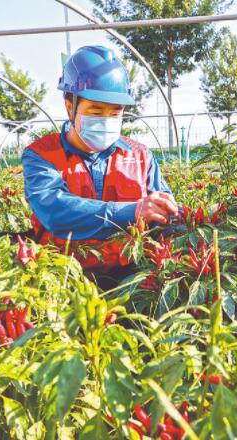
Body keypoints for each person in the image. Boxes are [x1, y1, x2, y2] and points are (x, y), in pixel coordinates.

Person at [22, 45, 177, 288]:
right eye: (96, 111)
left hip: (132, 279)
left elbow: (165, 215)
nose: (106, 120)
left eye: (115, 113)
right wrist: (132, 212)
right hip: (63, 282)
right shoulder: (41, 155)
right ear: (69, 105)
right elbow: (55, 210)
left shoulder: (140, 155)